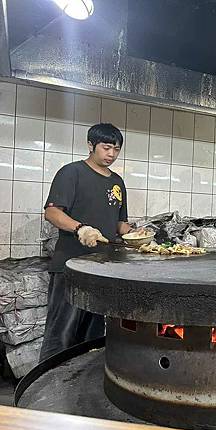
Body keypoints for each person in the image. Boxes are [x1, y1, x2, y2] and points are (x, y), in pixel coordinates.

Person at [39, 123, 134, 361]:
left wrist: (135, 233)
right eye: (106, 147)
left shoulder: (117, 182)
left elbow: (119, 224)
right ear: (91, 145)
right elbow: (52, 212)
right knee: (61, 334)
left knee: (92, 338)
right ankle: (47, 390)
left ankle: (79, 389)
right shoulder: (72, 172)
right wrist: (81, 228)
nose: (111, 154)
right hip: (70, 267)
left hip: (103, 269)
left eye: (116, 149)